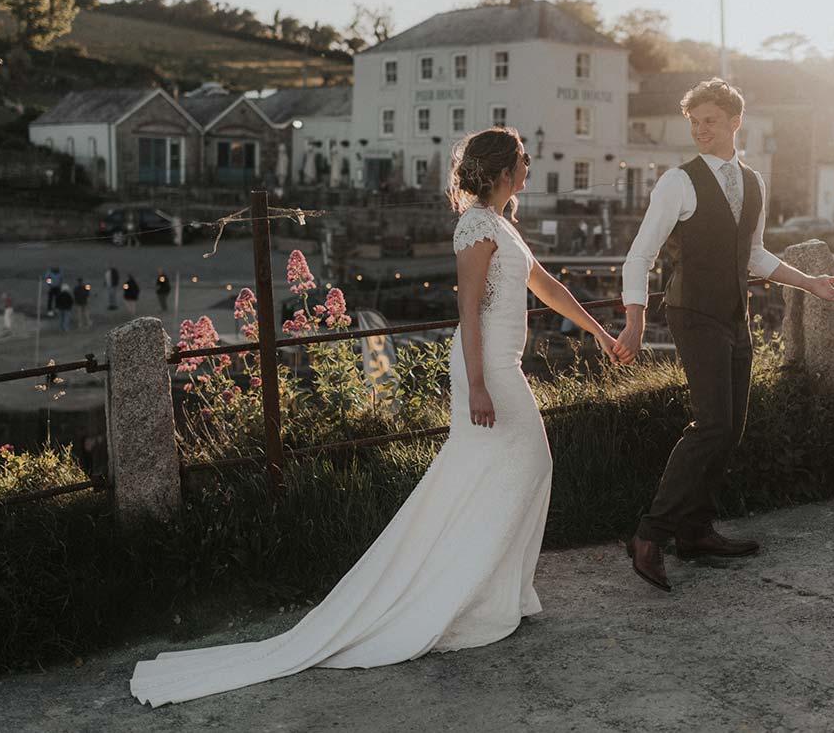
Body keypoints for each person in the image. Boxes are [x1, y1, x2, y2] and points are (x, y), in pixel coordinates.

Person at [130, 126, 630, 708]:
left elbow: (546, 285)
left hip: (499, 363)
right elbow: (467, 312)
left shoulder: (502, 224)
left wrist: (600, 331)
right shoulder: (475, 226)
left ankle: (497, 593)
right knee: (524, 464)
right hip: (486, 367)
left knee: (498, 473)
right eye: (522, 159)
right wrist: (475, 386)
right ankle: (467, 596)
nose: (528, 165)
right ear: (499, 170)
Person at [616, 78, 834, 593]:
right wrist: (634, 321)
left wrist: (812, 284)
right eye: (694, 122)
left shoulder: (754, 182)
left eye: (710, 121)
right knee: (712, 424)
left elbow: (754, 256)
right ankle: (649, 535)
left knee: (732, 427)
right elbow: (640, 254)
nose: (700, 130)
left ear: (734, 122)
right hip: (691, 312)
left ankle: (695, 532)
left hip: (733, 313)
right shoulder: (676, 183)